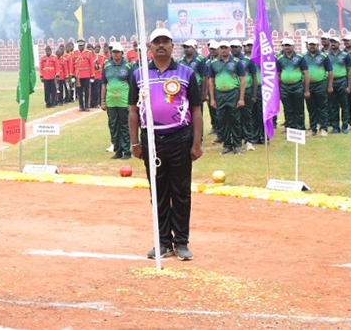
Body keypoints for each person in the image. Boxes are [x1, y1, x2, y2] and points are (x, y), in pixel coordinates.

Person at [128, 27, 203, 261]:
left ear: (173, 46)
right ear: (149, 47)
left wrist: (197, 143)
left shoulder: (187, 73)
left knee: (180, 192)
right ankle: (162, 242)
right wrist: (134, 143)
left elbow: (197, 110)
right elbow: (132, 110)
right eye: (156, 42)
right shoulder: (138, 74)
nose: (161, 45)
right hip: (152, 140)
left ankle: (181, 242)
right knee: (158, 192)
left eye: (166, 41)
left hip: (181, 139)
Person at [208, 41, 244, 155]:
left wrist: (241, 98)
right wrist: (212, 99)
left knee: (235, 120)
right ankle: (227, 145)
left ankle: (237, 145)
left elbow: (242, 81)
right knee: (222, 120)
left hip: (233, 93)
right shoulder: (213, 64)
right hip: (219, 94)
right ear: (219, 49)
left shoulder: (237, 62)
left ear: (229, 49)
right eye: (221, 48)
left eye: (225, 48)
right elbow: (211, 81)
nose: (223, 50)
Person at [101, 42, 133, 158]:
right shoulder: (107, 65)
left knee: (124, 125)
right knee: (113, 125)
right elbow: (104, 84)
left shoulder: (128, 66)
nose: (115, 54)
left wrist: (131, 102)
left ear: (122, 53)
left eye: (117, 52)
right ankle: (117, 150)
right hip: (111, 101)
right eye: (113, 52)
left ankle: (126, 151)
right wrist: (103, 101)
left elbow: (132, 85)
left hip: (123, 101)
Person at [275, 39, 308, 130]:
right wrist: (278, 89)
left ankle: (300, 128)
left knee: (299, 108)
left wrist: (306, 89)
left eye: (289, 45)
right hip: (285, 87)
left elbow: (305, 73)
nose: (287, 47)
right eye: (285, 45)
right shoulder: (280, 59)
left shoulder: (300, 57)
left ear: (293, 46)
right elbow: (278, 74)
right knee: (288, 109)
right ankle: (290, 128)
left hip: (297, 86)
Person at [305, 38, 332, 135]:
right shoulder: (303, 57)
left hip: (320, 84)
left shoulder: (323, 56)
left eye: (314, 44)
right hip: (308, 85)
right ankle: (313, 129)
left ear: (317, 45)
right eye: (310, 44)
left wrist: (329, 86)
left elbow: (330, 71)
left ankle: (323, 128)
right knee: (311, 108)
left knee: (322, 107)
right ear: (307, 46)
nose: (312, 46)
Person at [327, 36, 351, 134]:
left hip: (342, 81)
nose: (333, 43)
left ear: (339, 44)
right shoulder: (327, 55)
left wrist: (349, 86)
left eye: (335, 42)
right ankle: (335, 127)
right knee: (333, 106)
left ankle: (345, 126)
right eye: (331, 42)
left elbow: (349, 71)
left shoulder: (345, 55)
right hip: (331, 82)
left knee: (344, 105)